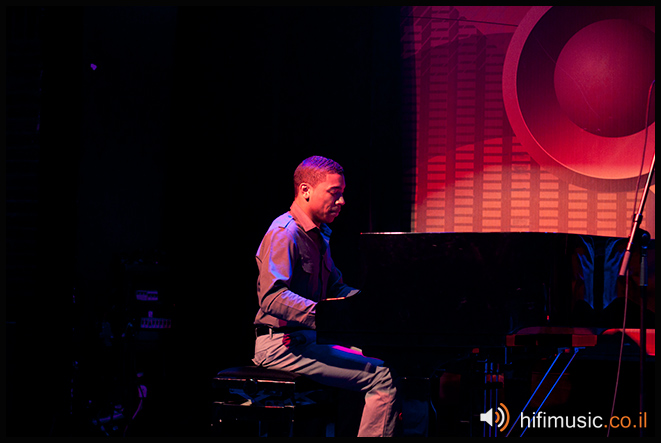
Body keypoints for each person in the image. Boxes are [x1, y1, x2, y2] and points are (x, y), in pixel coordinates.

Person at [252, 155, 399, 437]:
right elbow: (271, 297)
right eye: (335, 193)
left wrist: (376, 302)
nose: (342, 201)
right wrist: (327, 317)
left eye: (342, 194)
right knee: (384, 376)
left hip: (307, 339)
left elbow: (337, 289)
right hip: (280, 344)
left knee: (392, 362)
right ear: (306, 190)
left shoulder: (318, 235)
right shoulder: (285, 233)